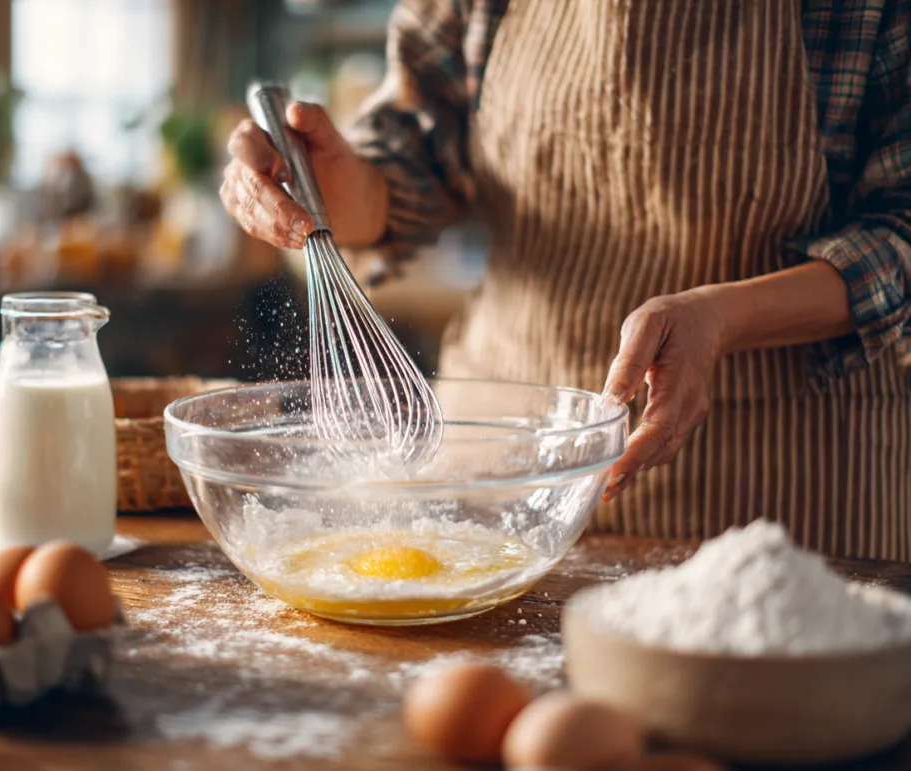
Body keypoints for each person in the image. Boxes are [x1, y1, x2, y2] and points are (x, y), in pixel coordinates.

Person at [222, 0, 911, 560]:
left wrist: (722, 317)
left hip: (781, 486)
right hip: (501, 481)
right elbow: (415, 157)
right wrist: (338, 190)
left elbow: (900, 232)